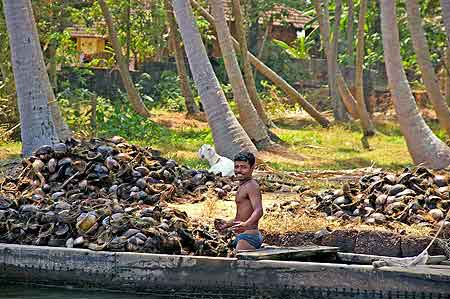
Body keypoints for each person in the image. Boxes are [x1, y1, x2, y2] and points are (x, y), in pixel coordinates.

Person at [215, 151, 263, 252]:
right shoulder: (242, 185)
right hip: (241, 237)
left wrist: (246, 224)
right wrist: (227, 224)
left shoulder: (251, 186)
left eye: (244, 167)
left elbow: (258, 210)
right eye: (236, 167)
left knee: (237, 265)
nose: (239, 170)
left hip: (249, 238)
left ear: (252, 167)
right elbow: (241, 217)